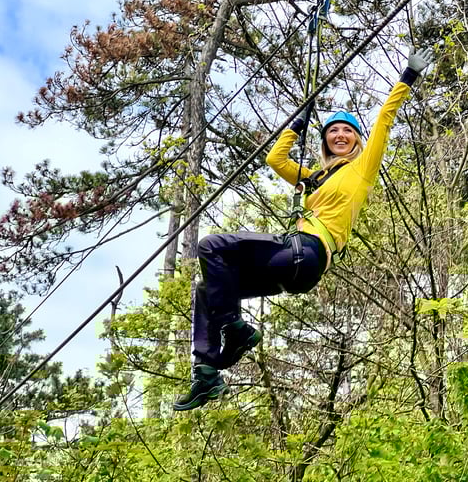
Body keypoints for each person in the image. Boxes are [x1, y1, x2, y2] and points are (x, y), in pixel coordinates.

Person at [173, 46, 434, 411]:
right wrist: (297, 125)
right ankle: (206, 372)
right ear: (326, 140)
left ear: (357, 141)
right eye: (333, 131)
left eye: (348, 131)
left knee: (212, 247)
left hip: (306, 251)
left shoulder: (361, 169)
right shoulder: (314, 179)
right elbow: (275, 159)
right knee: (207, 289)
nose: (340, 135)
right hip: (294, 267)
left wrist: (408, 77)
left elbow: (385, 121)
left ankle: (235, 330)